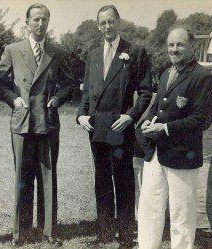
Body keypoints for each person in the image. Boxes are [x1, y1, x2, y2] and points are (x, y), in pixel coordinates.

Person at [0, 3, 74, 246]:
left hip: (47, 122)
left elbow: (70, 84)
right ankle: (22, 232)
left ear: (48, 23)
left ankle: (49, 231)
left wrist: (58, 98)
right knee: (22, 177)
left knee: (48, 179)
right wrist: (14, 99)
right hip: (22, 122)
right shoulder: (12, 49)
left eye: (44, 20)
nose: (40, 24)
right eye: (36, 20)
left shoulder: (57, 51)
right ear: (27, 23)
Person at [77, 5, 152, 248]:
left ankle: (126, 236)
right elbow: (87, 93)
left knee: (123, 181)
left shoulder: (134, 52)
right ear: (98, 26)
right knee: (101, 181)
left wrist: (131, 116)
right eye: (103, 23)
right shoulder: (93, 54)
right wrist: (81, 115)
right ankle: (105, 233)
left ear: (118, 22)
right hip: (97, 129)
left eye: (111, 21)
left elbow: (144, 92)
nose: (107, 26)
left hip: (121, 128)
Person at [137, 26, 212, 249]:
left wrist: (165, 128)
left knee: (181, 214)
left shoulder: (203, 77)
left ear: (191, 46)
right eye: (171, 45)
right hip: (156, 154)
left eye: (180, 44)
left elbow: (202, 120)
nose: (174, 49)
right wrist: (148, 121)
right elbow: (156, 108)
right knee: (149, 209)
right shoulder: (166, 74)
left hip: (183, 156)